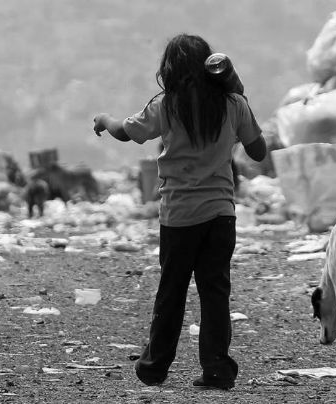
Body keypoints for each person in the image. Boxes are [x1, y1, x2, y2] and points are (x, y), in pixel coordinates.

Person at [92, 33, 266, 390]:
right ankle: (217, 370)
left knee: (172, 291)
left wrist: (104, 120)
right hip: (221, 214)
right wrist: (242, 99)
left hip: (179, 216)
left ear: (169, 70)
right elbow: (259, 151)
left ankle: (154, 367)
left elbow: (127, 132)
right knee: (215, 291)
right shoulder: (233, 103)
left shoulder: (167, 105)